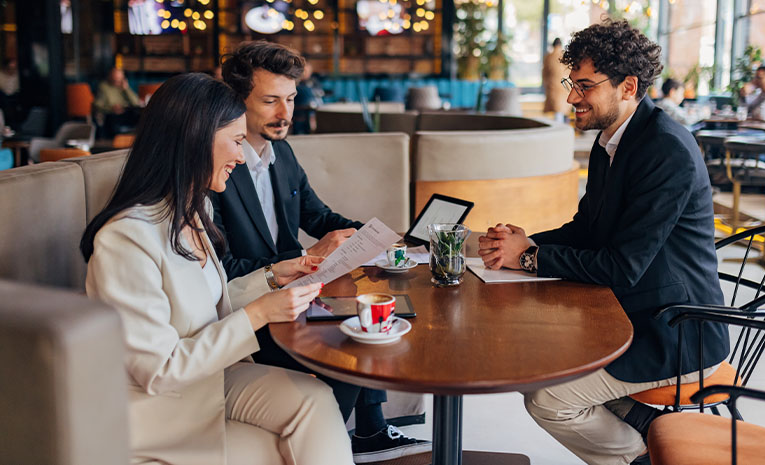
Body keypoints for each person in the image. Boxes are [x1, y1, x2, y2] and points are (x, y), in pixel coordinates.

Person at [478, 18, 729, 465]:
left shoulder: (665, 150)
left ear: (628, 86)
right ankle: (650, 430)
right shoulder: (611, 140)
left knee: (548, 399)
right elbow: (587, 228)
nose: (572, 97)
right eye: (571, 83)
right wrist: (525, 240)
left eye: (585, 86)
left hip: (676, 328)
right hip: (631, 309)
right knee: (532, 363)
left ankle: (639, 459)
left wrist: (530, 257)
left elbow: (621, 265)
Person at [81, 73, 353, 465]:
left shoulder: (195, 211)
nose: (242, 157)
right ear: (193, 140)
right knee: (277, 450)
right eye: (237, 141)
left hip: (211, 378)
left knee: (316, 400)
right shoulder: (125, 240)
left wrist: (272, 277)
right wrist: (259, 312)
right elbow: (158, 371)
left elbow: (211, 305)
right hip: (159, 409)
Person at [213, 41, 430, 463]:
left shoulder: (284, 153)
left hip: (300, 289)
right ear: (238, 102)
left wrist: (378, 237)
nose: (285, 113)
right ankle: (334, 443)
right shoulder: (219, 166)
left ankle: (367, 431)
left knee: (376, 314)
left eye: (291, 98)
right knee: (353, 340)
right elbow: (222, 269)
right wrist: (307, 257)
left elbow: (319, 215)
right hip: (253, 305)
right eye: (271, 101)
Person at [94, 67, 142, 137]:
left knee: (139, 115)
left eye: (119, 80)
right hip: (112, 114)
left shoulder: (123, 87)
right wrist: (111, 108)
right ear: (110, 77)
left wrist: (126, 89)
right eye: (115, 80)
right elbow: (97, 105)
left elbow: (136, 102)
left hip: (126, 112)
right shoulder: (103, 87)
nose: (117, 82)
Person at [543, 37, 570, 121]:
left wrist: (546, 84)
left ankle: (560, 130)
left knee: (557, 112)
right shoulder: (565, 56)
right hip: (565, 86)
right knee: (563, 109)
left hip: (553, 87)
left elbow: (544, 73)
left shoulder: (548, 57)